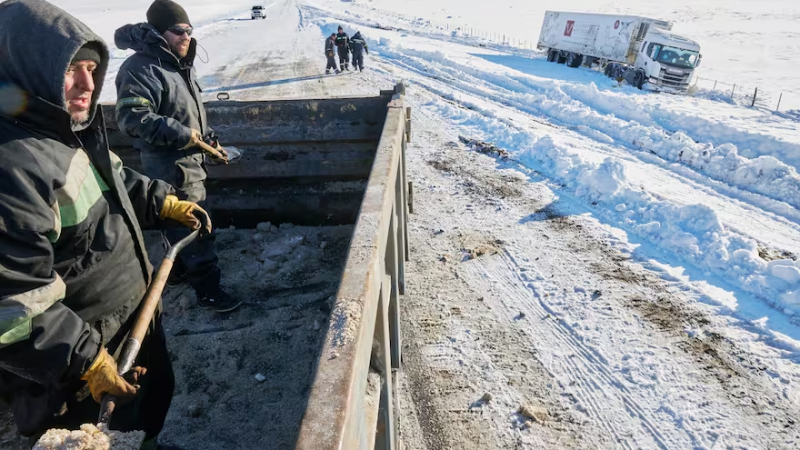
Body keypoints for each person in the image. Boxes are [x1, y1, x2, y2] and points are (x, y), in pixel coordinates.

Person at [0, 0, 209, 447]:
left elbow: (112, 178)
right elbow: (10, 308)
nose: (86, 84)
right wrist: (85, 359)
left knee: (146, 412)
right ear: (28, 68)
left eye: (92, 69)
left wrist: (163, 202)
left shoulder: (63, 130)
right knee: (98, 435)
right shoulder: (12, 167)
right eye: (70, 68)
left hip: (128, 323)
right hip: (73, 368)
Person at [114, 0, 241, 313]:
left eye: (189, 30)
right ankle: (210, 292)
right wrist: (182, 135)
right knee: (195, 224)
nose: (186, 36)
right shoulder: (141, 68)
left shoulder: (178, 65)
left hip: (190, 161)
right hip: (170, 166)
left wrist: (207, 139)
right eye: (178, 30)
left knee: (175, 222)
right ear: (158, 32)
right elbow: (132, 117)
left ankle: (179, 271)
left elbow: (187, 116)